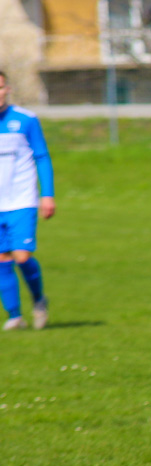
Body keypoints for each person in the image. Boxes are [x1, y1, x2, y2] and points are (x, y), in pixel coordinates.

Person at [0, 70, 55, 331]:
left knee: (21, 256)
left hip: (21, 200)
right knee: (1, 259)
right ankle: (15, 316)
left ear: (7, 89)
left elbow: (42, 157)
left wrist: (48, 195)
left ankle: (38, 299)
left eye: (0, 87)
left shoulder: (25, 120)